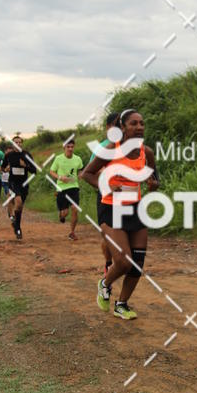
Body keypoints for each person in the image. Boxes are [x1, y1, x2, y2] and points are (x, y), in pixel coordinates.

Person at [80, 109, 159, 320]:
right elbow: (86, 174)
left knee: (137, 263)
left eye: (142, 123)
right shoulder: (109, 150)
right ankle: (104, 284)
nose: (139, 127)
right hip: (111, 208)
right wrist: (104, 185)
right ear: (122, 127)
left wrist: (153, 184)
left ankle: (122, 304)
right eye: (133, 123)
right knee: (124, 261)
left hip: (135, 208)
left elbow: (154, 178)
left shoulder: (147, 152)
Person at [90, 112, 119, 274]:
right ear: (108, 128)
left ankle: (124, 263)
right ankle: (109, 263)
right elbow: (89, 174)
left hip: (127, 197)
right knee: (108, 235)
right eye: (115, 125)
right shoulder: (102, 147)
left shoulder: (132, 147)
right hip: (106, 198)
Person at [1, 135, 36, 240]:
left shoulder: (26, 155)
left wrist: (25, 165)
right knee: (18, 201)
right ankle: (18, 228)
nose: (18, 144)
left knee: (20, 207)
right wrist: (5, 169)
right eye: (16, 142)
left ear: (22, 143)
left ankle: (16, 224)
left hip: (24, 183)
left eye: (20, 142)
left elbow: (34, 170)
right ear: (13, 144)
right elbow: (3, 167)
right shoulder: (9, 155)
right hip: (13, 182)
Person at [49, 140, 84, 240]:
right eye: (68, 147)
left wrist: (81, 174)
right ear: (64, 147)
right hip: (62, 188)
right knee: (65, 212)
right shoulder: (58, 158)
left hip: (74, 187)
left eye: (72, 147)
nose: (70, 149)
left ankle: (72, 232)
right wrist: (60, 177)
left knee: (75, 208)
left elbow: (81, 169)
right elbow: (52, 171)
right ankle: (61, 215)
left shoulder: (78, 159)